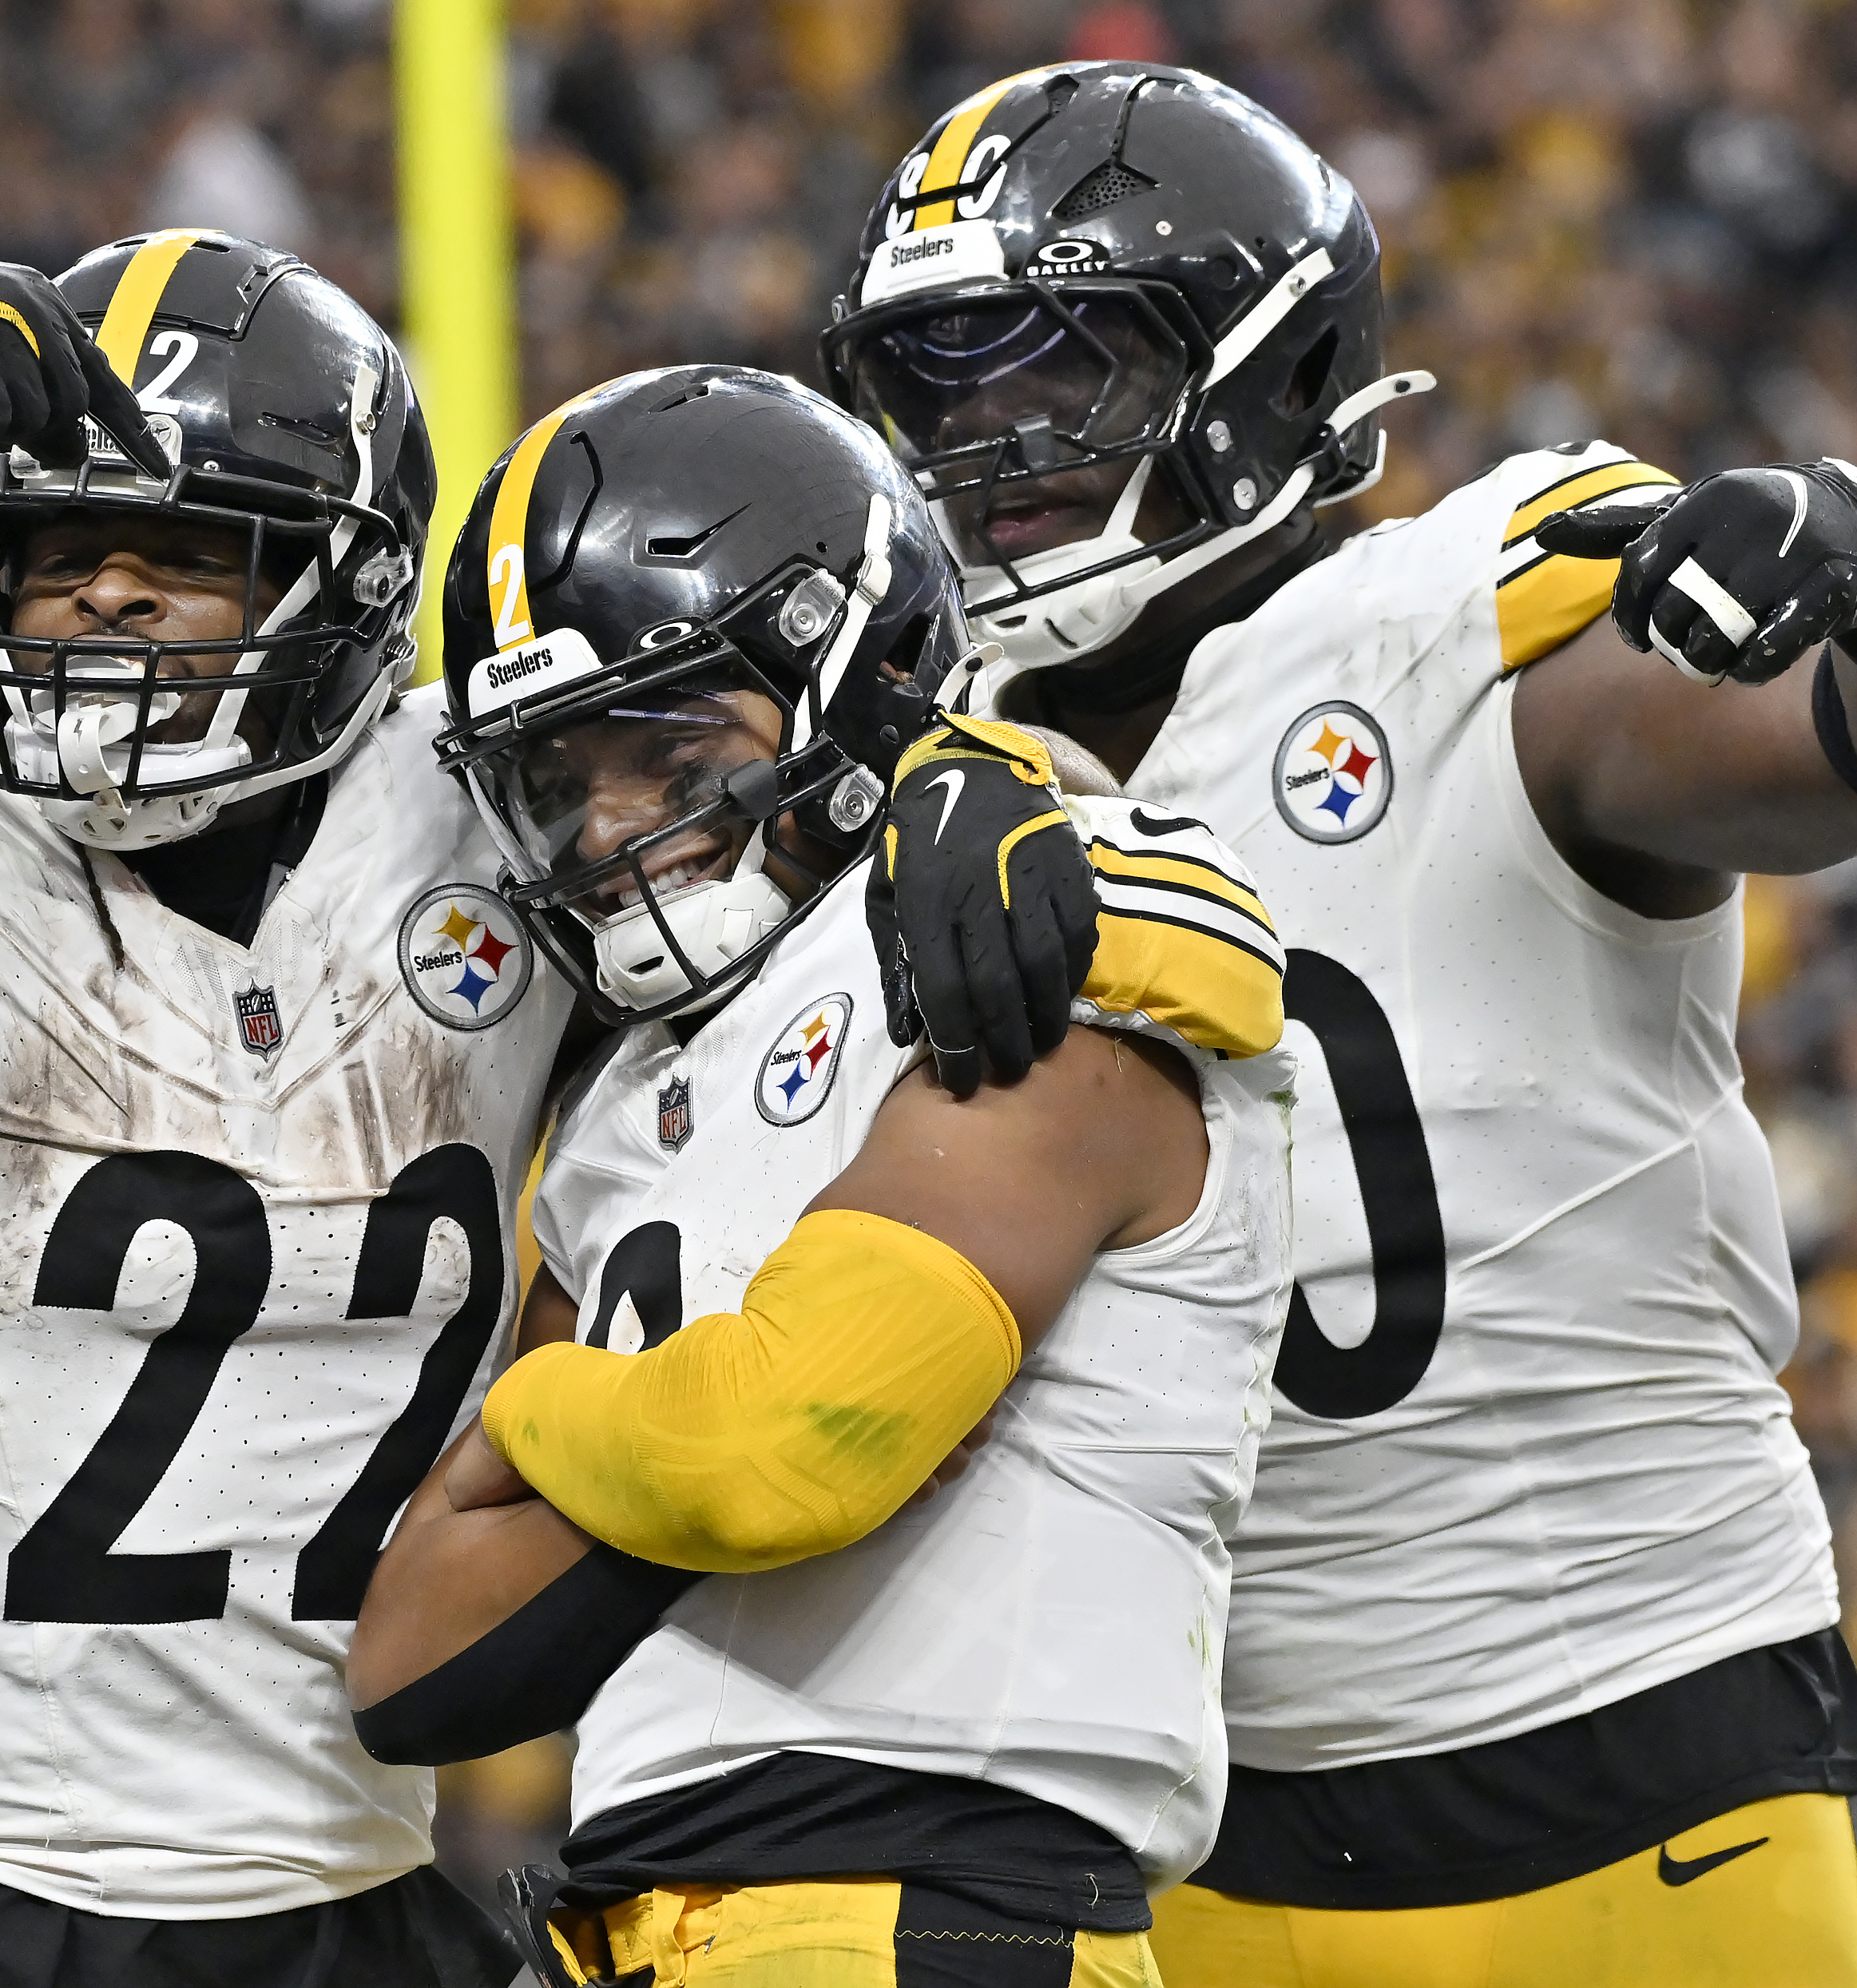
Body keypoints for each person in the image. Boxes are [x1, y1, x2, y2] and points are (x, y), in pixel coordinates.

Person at [0, 220, 1125, 1986]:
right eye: (49, 548)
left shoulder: (493, 821)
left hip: (352, 1893)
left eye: (188, 547)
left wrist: (976, 761)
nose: (101, 595)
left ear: (345, 586)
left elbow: (783, 745)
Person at [834, 63, 1857, 1986]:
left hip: (1643, 1782)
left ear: (1264, 370)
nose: (987, 442)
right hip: (1202, 1838)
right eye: (941, 382)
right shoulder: (913, 762)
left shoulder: (1466, 634)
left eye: (1056, 370)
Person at [341, 365, 1296, 1987]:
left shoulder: (1028, 914)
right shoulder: (627, 1095)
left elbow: (783, 1452)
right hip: (625, 1926)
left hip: (934, 1903)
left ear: (860, 683)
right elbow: (413, 1667)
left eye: (671, 748)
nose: (609, 828)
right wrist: (683, 1431)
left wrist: (535, 1423)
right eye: (559, 780)